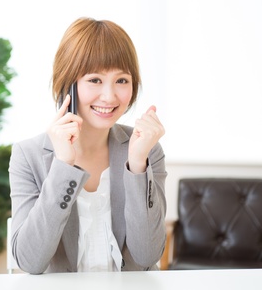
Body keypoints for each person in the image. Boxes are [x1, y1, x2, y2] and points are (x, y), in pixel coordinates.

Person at [8, 17, 167, 274]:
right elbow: (30, 262)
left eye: (122, 80)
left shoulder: (146, 149)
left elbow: (147, 255)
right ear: (68, 84)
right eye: (95, 80)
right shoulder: (29, 155)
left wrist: (137, 166)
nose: (110, 96)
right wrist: (62, 165)